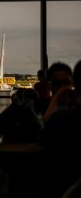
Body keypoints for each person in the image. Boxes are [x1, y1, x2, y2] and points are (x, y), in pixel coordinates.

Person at [37, 60, 81, 198]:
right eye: (57, 84)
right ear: (49, 85)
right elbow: (38, 133)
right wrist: (55, 101)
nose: (62, 87)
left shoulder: (75, 109)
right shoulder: (40, 105)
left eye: (65, 83)